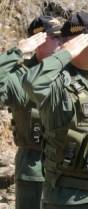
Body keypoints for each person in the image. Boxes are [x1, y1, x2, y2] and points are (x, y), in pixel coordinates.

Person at [23, 11, 88, 209]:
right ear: (75, 42)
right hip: (69, 199)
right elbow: (31, 82)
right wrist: (65, 53)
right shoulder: (58, 81)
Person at [0, 16, 62, 209]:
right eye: (55, 37)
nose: (62, 41)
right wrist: (17, 52)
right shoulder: (20, 76)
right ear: (38, 41)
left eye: (63, 36)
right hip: (34, 170)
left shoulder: (70, 72)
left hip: (69, 172)